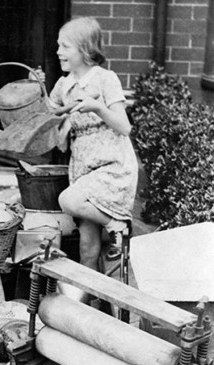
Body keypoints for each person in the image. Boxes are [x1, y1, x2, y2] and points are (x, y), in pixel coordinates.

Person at [47, 17, 138, 274]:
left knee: (68, 200)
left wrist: (97, 106)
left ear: (85, 49)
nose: (58, 52)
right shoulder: (63, 86)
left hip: (111, 168)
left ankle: (117, 224)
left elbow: (124, 126)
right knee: (88, 250)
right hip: (83, 170)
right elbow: (48, 117)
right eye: (58, 45)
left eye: (65, 46)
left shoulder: (105, 79)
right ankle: (87, 309)